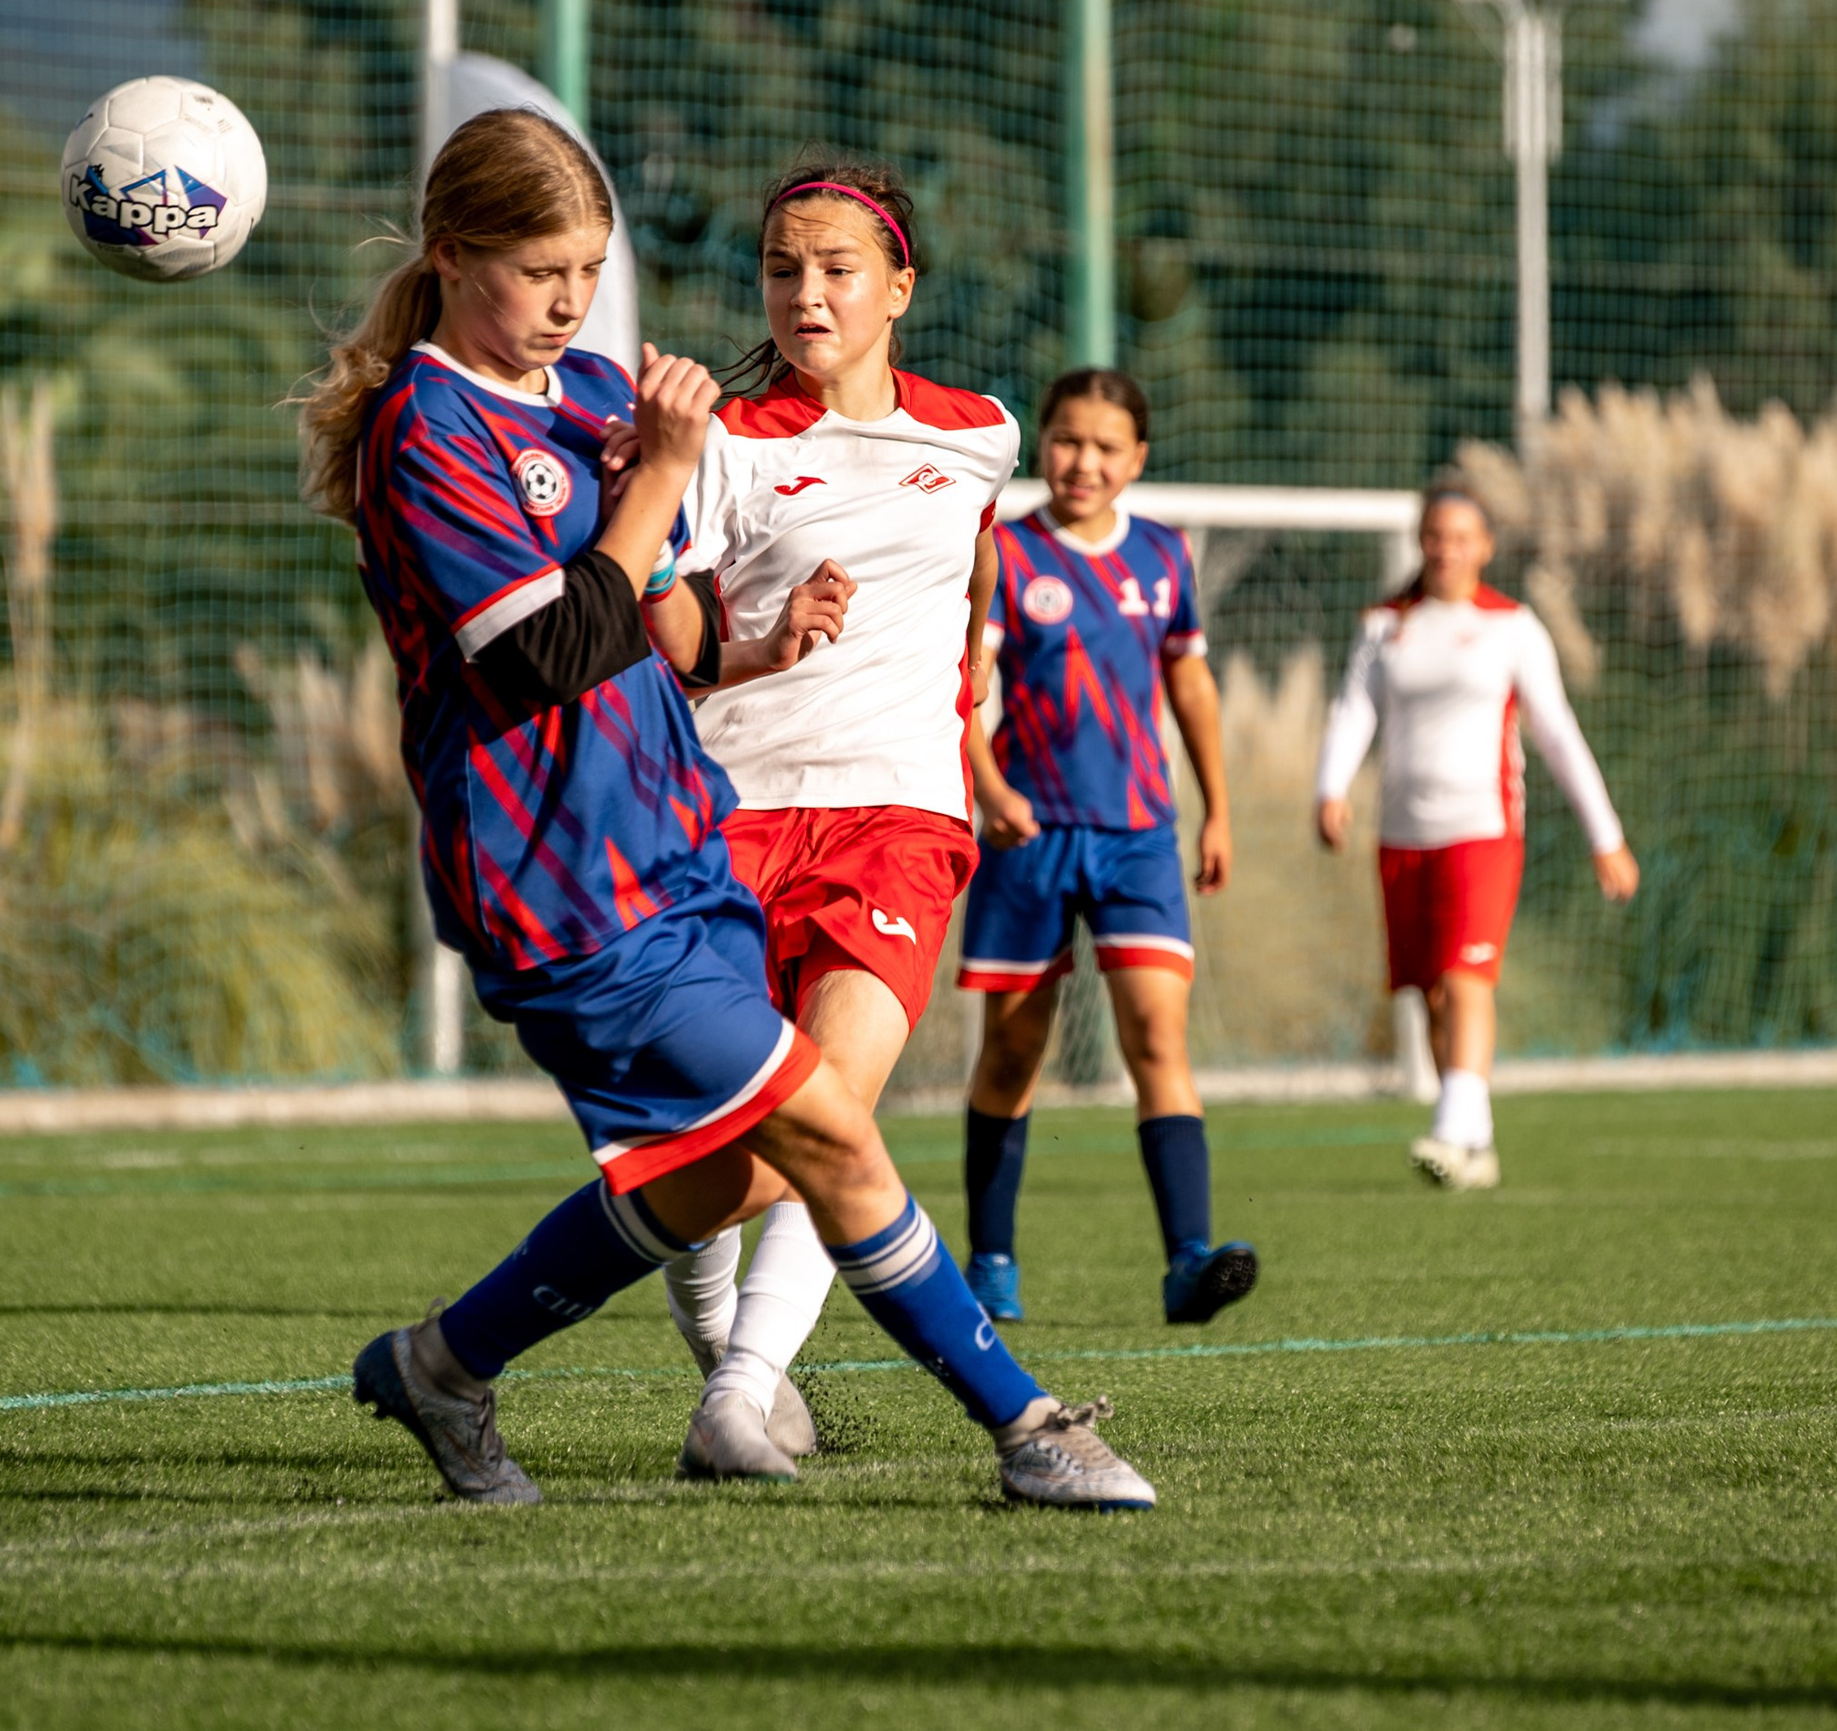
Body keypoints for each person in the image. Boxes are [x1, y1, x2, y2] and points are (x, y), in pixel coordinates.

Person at [299, 109, 1154, 1510]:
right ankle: (1029, 1428)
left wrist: (741, 625)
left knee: (716, 1180)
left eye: (589, 268)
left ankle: (446, 1366)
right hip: (560, 883)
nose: (572, 302)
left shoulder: (578, 395)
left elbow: (667, 622)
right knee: (831, 1132)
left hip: (677, 847)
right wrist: (668, 485)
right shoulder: (426, 430)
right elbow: (538, 657)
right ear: (452, 259)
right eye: (540, 270)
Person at [634, 158, 1019, 1483]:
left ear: (899, 288)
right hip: (730, 821)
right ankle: (716, 1352)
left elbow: (976, 556)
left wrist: (974, 671)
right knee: (723, 1128)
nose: (808, 293)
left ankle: (741, 1398)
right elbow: (672, 631)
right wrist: (755, 634)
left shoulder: (982, 433)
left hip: (899, 815)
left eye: (838, 269)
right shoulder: (726, 443)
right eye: (784, 270)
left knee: (834, 1106)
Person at [952, 368, 1257, 1327]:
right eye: (1067, 440)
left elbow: (1192, 687)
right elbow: (962, 684)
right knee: (1012, 1053)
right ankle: (992, 1263)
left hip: (1137, 838)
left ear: (1137, 460)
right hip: (1030, 836)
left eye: (1106, 446)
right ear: (1042, 443)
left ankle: (1187, 1261)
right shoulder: (1004, 549)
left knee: (1157, 1038)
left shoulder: (1165, 556)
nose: (1083, 461)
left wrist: (1218, 808)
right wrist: (990, 791)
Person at [1312, 484, 1641, 1189]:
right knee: (1430, 995)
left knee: (1467, 978)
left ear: (1485, 547)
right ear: (1420, 541)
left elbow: (1558, 735)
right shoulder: (1384, 626)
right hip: (1402, 837)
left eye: (1462, 537)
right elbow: (1353, 713)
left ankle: (1449, 1132)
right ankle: (1477, 1141)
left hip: (1483, 831)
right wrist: (1330, 788)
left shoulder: (1512, 627)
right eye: (1435, 535)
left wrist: (1605, 835)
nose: (1446, 549)